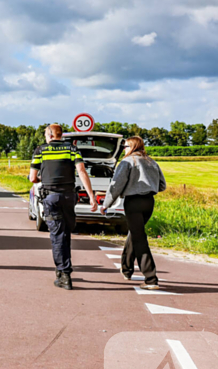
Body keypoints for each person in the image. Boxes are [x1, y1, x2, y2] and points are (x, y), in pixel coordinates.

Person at [29, 124, 98, 290]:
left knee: (57, 233)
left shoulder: (41, 150)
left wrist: (42, 180)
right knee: (65, 232)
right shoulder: (72, 149)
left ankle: (64, 273)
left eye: (46, 134)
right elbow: (81, 171)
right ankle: (62, 270)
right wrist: (91, 196)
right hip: (69, 196)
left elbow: (32, 178)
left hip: (51, 197)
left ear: (50, 135)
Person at [99, 136, 166, 289]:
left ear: (133, 147)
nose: (124, 149)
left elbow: (116, 186)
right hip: (149, 202)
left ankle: (151, 279)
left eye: (126, 146)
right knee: (135, 233)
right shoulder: (152, 162)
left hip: (133, 202)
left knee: (139, 238)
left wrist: (106, 204)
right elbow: (162, 185)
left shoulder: (127, 162)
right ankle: (127, 269)